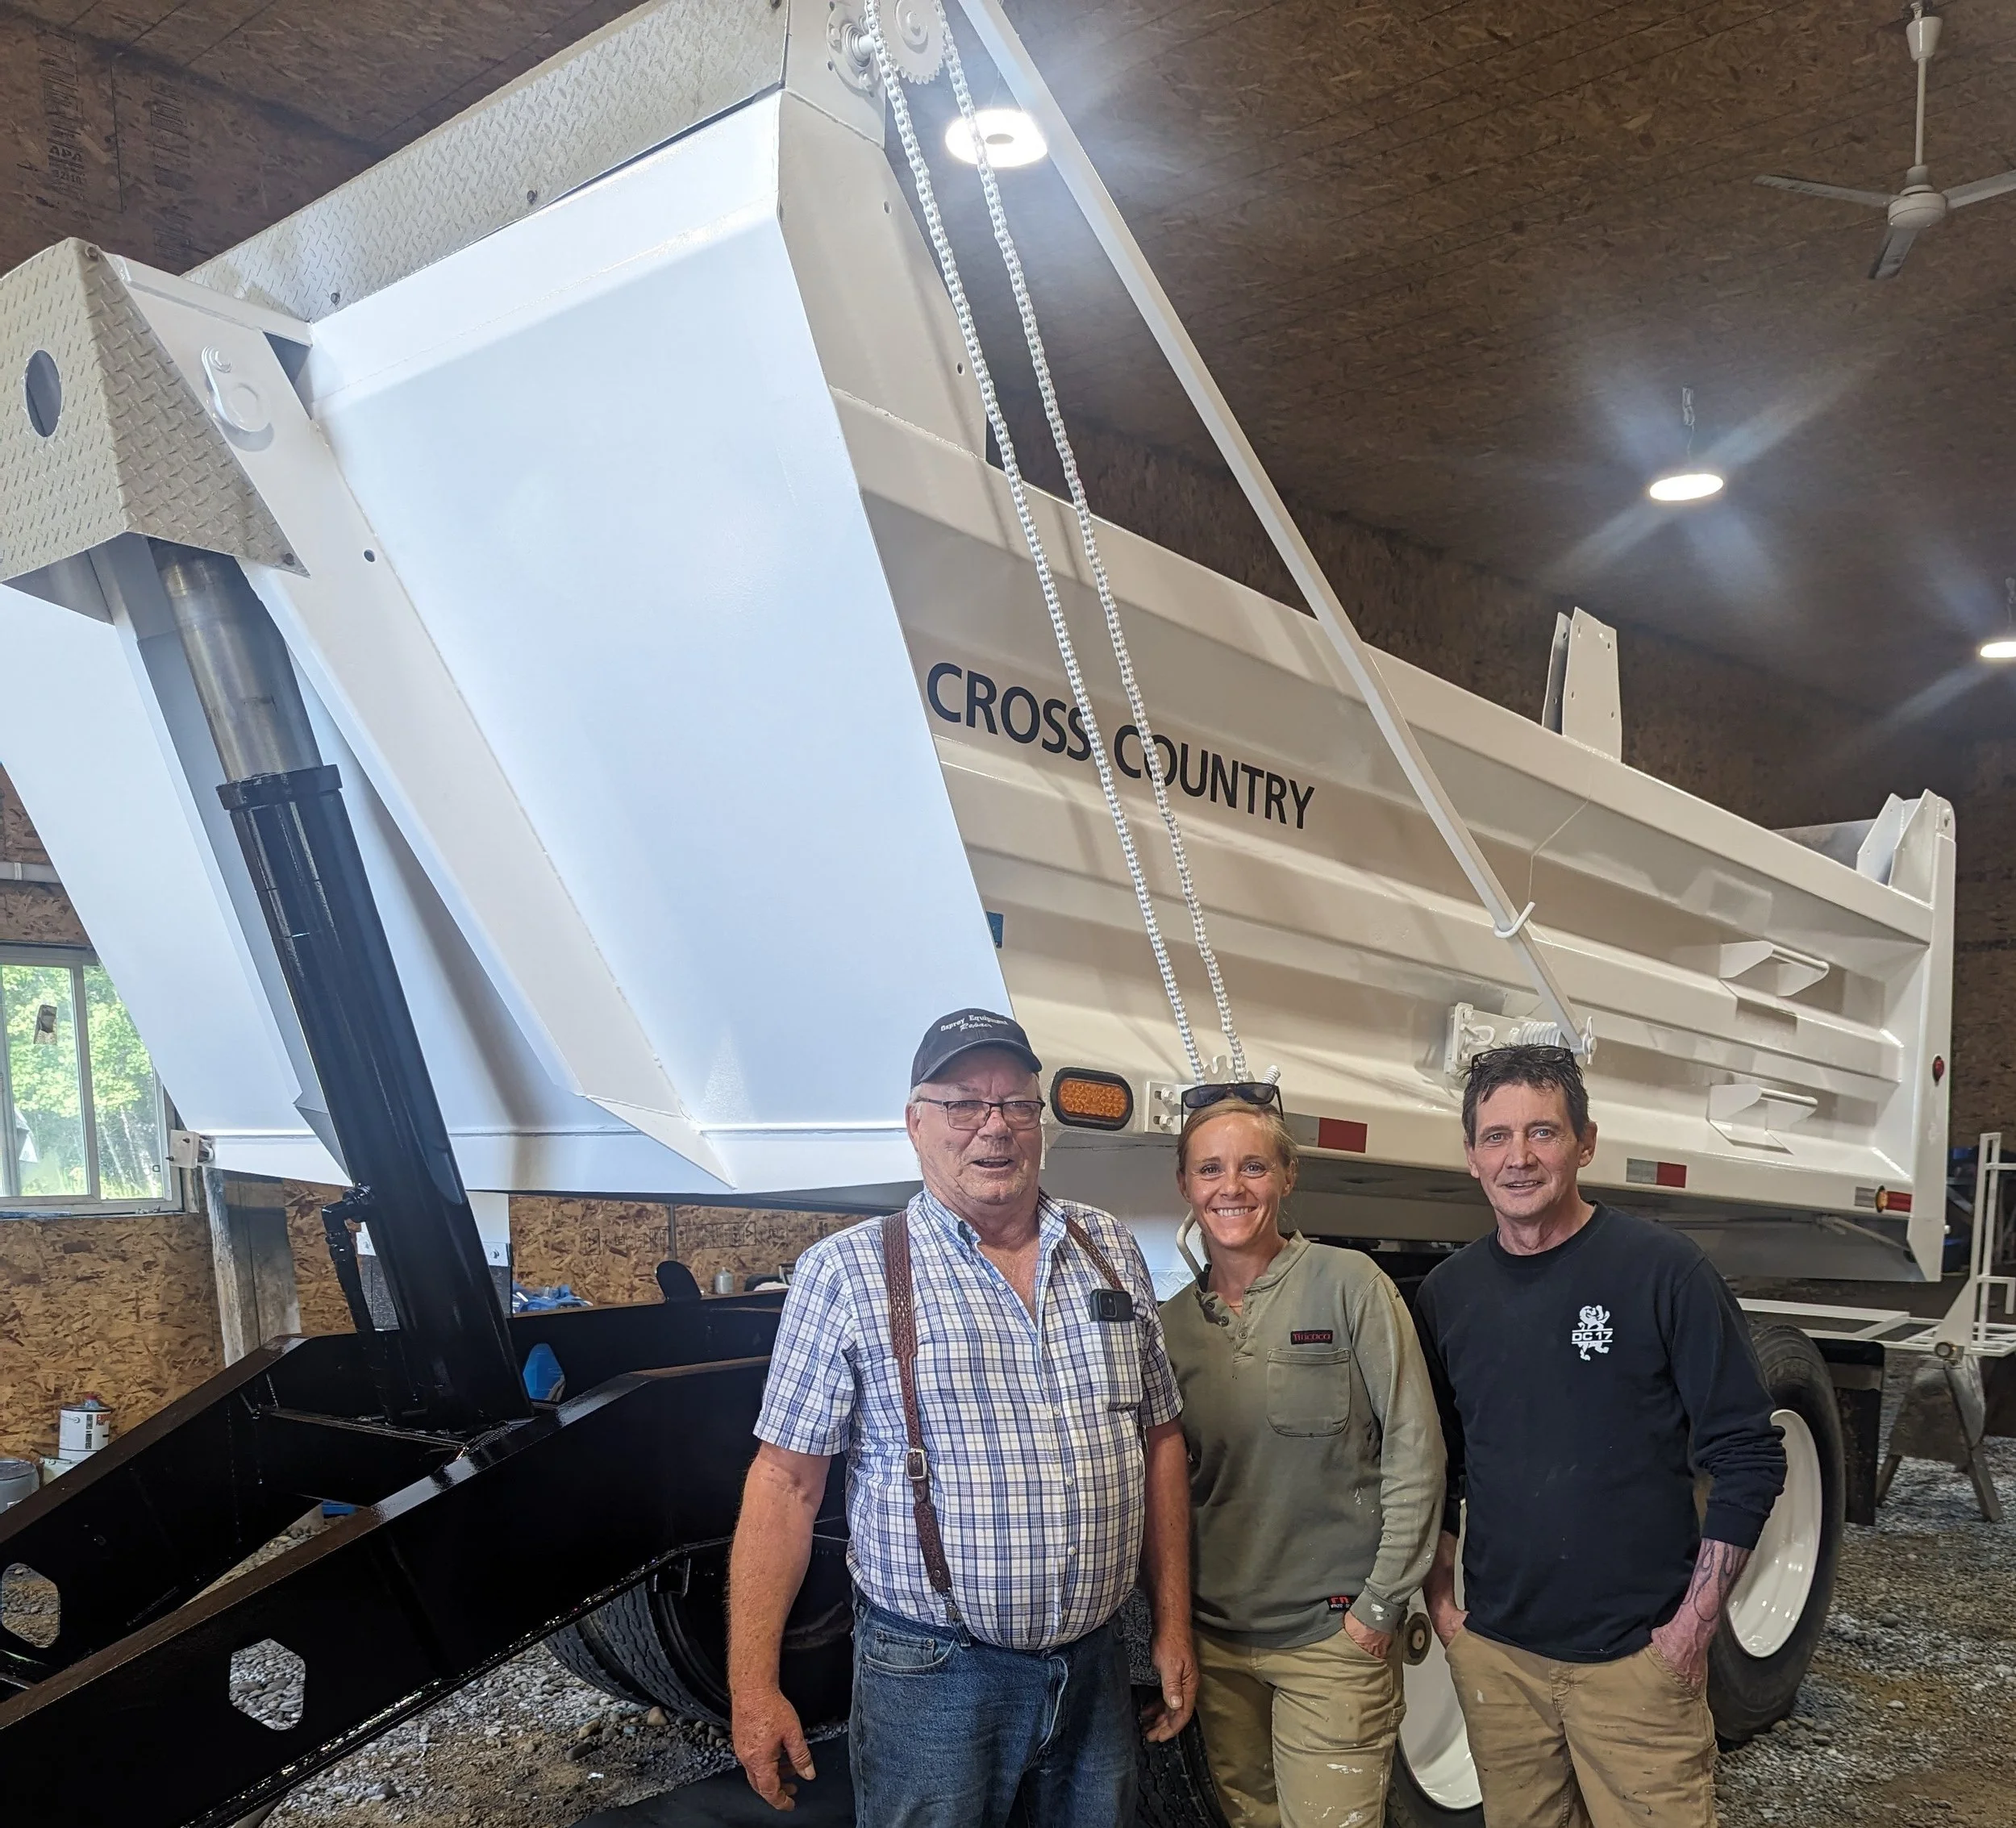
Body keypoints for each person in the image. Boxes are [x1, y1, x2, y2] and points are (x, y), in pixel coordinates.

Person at [726, 1008, 1197, 1824]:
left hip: (1091, 1670)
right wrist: (752, 1686)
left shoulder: (1108, 1247)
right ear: (916, 1122)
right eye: (963, 1104)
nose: (995, 1127)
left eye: (1016, 1103)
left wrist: (1172, 1623)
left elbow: (1157, 1440)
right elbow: (784, 1485)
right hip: (932, 1679)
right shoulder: (847, 1272)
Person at [1415, 1044, 1789, 1828]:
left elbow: (1748, 1452)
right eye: (1495, 1136)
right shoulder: (1450, 1294)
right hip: (1499, 1661)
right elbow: (1437, 1459)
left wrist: (1690, 1631)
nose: (1518, 1157)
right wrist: (1445, 1603)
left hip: (1636, 1666)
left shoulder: (1662, 1273)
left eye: (1542, 1132)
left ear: (1585, 1143)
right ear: (1470, 1156)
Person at [1160, 1082, 1444, 1828]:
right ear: (1186, 1186)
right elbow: (1164, 1490)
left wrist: (1381, 1604)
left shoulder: (1350, 1285)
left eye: (1253, 1166)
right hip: (1219, 1646)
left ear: (1287, 1177)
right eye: (1211, 1169)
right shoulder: (1171, 1325)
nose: (1232, 1187)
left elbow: (1417, 1447)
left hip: (1334, 1640)